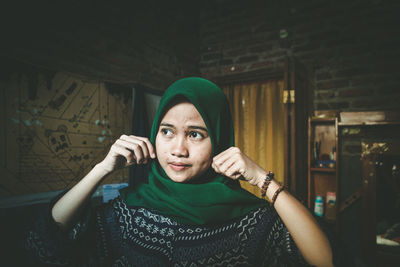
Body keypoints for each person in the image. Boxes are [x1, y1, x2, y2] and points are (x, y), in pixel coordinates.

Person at [25, 77, 334, 266]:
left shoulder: (252, 222)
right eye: (167, 132)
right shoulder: (127, 212)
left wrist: (261, 179)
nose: (178, 150)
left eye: (196, 134)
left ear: (220, 140)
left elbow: (325, 260)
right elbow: (45, 240)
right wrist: (101, 169)